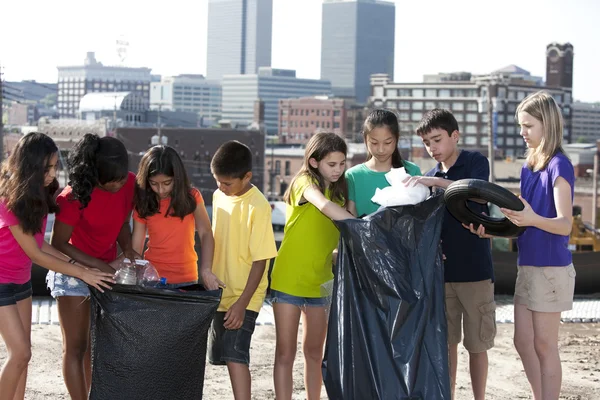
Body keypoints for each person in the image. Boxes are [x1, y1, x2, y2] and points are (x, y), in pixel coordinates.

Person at [467, 91, 576, 400]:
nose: (522, 133)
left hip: (551, 270)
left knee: (544, 345)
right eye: (520, 126)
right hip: (527, 266)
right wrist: (492, 231)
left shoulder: (560, 166)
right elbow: (523, 223)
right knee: (522, 341)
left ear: (547, 124)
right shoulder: (529, 168)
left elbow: (564, 224)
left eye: (528, 125)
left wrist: (529, 217)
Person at [0, 133, 114, 400]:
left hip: (21, 282)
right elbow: (36, 254)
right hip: (1, 282)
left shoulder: (37, 194)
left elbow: (42, 244)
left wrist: (73, 262)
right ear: (30, 166)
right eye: (47, 167)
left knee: (23, 356)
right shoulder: (9, 198)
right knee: (20, 353)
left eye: (54, 166)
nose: (53, 173)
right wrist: (82, 272)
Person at [404, 109, 496, 400]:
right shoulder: (429, 177)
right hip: (441, 277)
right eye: (427, 143)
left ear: (455, 136)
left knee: (477, 345)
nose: (432, 148)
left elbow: (479, 193)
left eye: (437, 139)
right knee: (446, 346)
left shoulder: (474, 161)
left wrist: (434, 184)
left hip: (476, 272)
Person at [48, 133, 137, 400]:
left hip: (107, 270)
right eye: (111, 182)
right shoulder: (73, 196)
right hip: (72, 271)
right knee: (75, 347)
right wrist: (98, 267)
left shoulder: (130, 184)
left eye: (122, 178)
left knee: (94, 347)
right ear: (95, 176)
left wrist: (128, 248)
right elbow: (59, 243)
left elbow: (122, 222)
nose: (119, 184)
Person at [270, 132, 354, 400]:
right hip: (289, 279)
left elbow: (346, 226)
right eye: (332, 164)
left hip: (320, 282)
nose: (338, 170)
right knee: (285, 352)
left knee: (315, 353)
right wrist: (358, 224)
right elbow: (325, 206)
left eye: (342, 164)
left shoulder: (343, 190)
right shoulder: (304, 182)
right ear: (315, 162)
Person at [207, 140, 278, 400]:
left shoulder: (258, 206)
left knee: (237, 356)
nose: (221, 187)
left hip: (245, 296)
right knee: (223, 356)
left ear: (247, 176)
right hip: (220, 292)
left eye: (227, 183)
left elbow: (261, 260)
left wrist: (242, 303)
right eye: (217, 181)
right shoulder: (218, 196)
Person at [131, 145, 217, 289]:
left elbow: (206, 233)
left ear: (177, 178)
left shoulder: (192, 197)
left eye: (167, 183)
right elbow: (136, 246)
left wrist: (206, 269)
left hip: (186, 278)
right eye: (153, 184)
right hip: (152, 279)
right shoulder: (143, 202)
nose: (160, 189)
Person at [345, 109, 422, 217]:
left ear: (397, 138)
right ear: (365, 139)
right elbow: (351, 221)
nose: (381, 149)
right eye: (374, 143)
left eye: (387, 142)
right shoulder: (353, 176)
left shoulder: (412, 171)